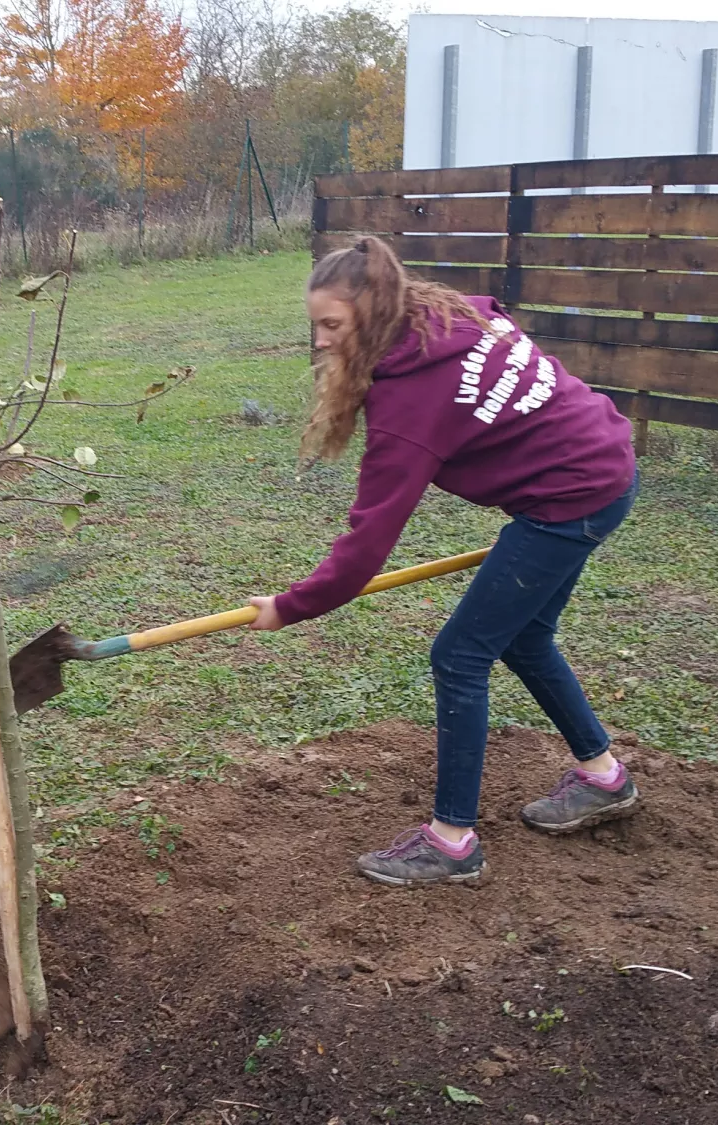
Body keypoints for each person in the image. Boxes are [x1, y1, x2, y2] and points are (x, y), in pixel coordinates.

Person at [245, 236, 640, 887]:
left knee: (459, 654)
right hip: (605, 467)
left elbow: (367, 546)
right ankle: (604, 777)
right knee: (527, 638)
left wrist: (289, 608)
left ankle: (452, 841)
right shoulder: (447, 316)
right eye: (315, 323)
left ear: (375, 313)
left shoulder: (408, 405)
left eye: (333, 325)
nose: (319, 341)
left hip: (570, 499)